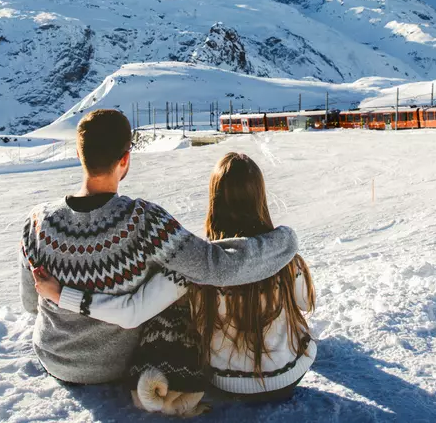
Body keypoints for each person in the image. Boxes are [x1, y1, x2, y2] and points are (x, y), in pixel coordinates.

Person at [19, 111, 299, 399]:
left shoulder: (37, 221)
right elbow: (216, 268)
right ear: (125, 159)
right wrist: (284, 241)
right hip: (119, 364)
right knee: (175, 278)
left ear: (80, 154)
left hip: (54, 359)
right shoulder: (143, 221)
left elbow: (30, 303)